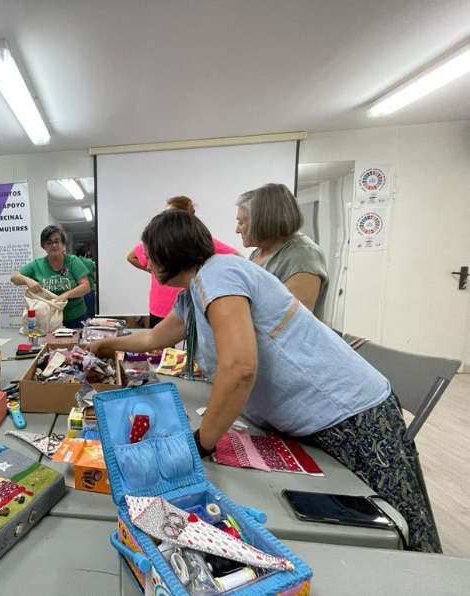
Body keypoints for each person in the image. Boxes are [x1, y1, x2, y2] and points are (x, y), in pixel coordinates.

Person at [89, 209, 441, 553]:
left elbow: (240, 367)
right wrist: (107, 345)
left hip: (352, 415)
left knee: (401, 533)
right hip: (313, 420)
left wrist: (203, 442)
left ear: (169, 251)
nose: (145, 261)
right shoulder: (194, 291)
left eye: (149, 253)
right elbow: (155, 338)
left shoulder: (218, 275)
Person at [127, 195, 239, 327]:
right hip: (160, 307)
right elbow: (153, 339)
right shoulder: (157, 241)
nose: (149, 266)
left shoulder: (215, 299)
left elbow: (236, 258)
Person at [236, 183, 328, 320]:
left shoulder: (303, 256)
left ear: (262, 221)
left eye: (241, 223)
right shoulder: (259, 252)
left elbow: (291, 321)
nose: (237, 230)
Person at [11, 225, 90, 328]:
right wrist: (27, 280)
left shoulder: (73, 261)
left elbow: (86, 287)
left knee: (75, 343)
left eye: (57, 241)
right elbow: (14, 277)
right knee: (48, 344)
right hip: (48, 319)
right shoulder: (37, 264)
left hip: (75, 317)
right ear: (43, 246)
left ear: (63, 244)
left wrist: (66, 295)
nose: (54, 245)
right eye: (49, 242)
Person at [76, 247, 97, 319]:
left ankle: (80, 328)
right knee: (90, 311)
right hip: (89, 289)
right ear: (85, 253)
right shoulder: (90, 262)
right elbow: (94, 276)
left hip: (78, 291)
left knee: (79, 313)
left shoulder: (74, 262)